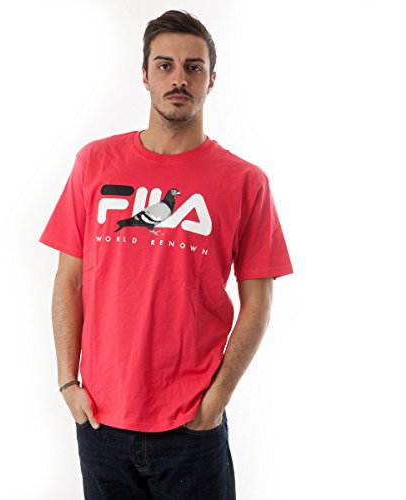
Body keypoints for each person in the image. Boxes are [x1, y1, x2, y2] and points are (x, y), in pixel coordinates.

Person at [38, 9, 293, 499]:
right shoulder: (95, 162)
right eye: (165, 65)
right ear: (145, 76)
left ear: (211, 80)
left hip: (191, 428)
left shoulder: (245, 182)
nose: (179, 78)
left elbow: (258, 301)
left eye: (194, 67)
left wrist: (216, 400)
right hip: (100, 421)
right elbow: (68, 279)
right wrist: (68, 383)